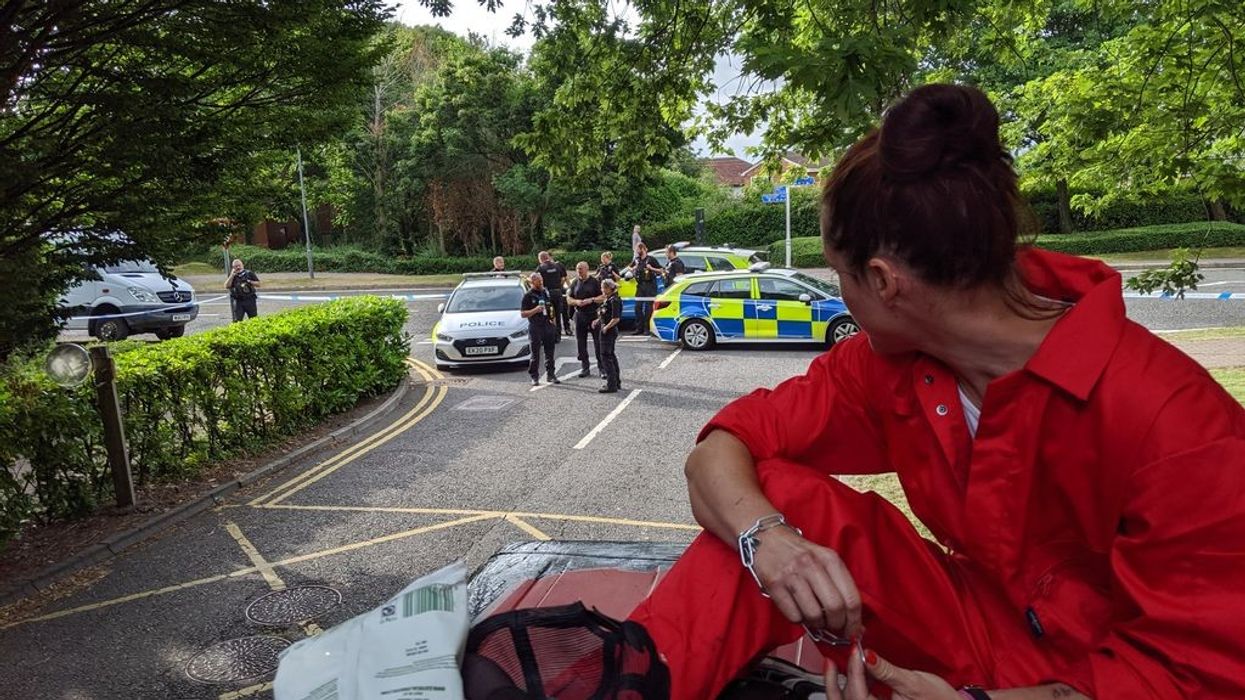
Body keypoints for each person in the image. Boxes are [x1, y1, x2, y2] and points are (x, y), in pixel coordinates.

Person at [627, 83, 1245, 699]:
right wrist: (768, 541)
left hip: (1099, 680)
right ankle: (628, 685)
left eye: (838, 274)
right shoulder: (891, 363)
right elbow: (726, 443)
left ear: (882, 281)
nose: (839, 294)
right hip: (976, 625)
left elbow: (1199, 677)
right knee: (772, 500)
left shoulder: (1180, 429)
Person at [520, 272, 559, 387]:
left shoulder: (545, 292)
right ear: (532, 282)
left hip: (547, 324)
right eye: (538, 281)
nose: (541, 282)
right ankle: (534, 376)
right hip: (535, 326)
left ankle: (551, 374)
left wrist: (554, 321)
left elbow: (551, 307)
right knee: (535, 353)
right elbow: (523, 314)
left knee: (550, 352)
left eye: (541, 280)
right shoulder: (528, 296)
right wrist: (535, 310)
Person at [568, 262, 604, 378]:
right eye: (577, 269)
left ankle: (602, 368)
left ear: (587, 269)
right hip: (580, 315)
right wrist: (576, 302)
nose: (579, 271)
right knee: (580, 342)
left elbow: (603, 297)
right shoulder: (574, 282)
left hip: (593, 314)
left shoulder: (594, 282)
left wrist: (592, 300)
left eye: (581, 269)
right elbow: (569, 299)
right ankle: (585, 367)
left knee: (598, 342)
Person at [626, 243, 663, 336]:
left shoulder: (651, 259)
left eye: (637, 249)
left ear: (642, 249)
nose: (636, 252)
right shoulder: (637, 260)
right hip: (640, 286)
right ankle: (639, 328)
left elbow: (661, 270)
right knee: (637, 307)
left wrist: (651, 268)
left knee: (648, 308)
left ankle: (647, 328)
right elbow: (629, 268)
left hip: (650, 285)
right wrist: (633, 268)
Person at [593, 279, 622, 393]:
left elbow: (615, 318)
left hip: (608, 331)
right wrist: (598, 321)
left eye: (604, 288)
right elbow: (605, 314)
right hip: (606, 329)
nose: (602, 290)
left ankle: (611, 385)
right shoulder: (609, 299)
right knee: (611, 355)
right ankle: (616, 382)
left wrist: (606, 327)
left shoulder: (614, 300)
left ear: (610, 288)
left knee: (605, 356)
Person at [536, 251, 570, 339]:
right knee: (558, 314)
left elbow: (538, 282)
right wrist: (559, 285)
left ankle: (551, 334)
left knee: (549, 315)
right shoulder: (558, 265)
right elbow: (563, 278)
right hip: (558, 292)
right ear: (548, 257)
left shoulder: (540, 268)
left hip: (547, 294)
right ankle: (558, 334)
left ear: (541, 259)